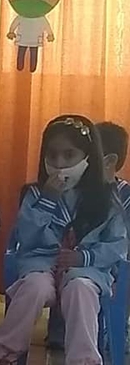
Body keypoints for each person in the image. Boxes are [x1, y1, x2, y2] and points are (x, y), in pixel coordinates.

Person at [0, 115, 127, 365]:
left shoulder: (104, 198)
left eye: (69, 155)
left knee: (81, 290)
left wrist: (84, 256)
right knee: (33, 288)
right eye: (52, 155)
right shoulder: (35, 194)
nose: (59, 163)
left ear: (88, 158)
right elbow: (25, 236)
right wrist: (47, 200)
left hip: (86, 270)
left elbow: (117, 245)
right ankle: (2, 359)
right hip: (41, 265)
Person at [46, 121, 130, 350]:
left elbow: (120, 244)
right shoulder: (72, 192)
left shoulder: (123, 197)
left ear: (108, 161)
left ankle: (116, 329)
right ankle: (59, 326)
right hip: (69, 262)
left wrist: (91, 257)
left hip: (110, 264)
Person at [2, 0, 63, 73]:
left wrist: (50, 34)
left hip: (33, 38)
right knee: (22, 51)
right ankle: (20, 66)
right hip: (24, 37)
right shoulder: (23, 17)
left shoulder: (40, 18)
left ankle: (32, 67)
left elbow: (47, 26)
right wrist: (11, 31)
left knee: (33, 52)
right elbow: (15, 23)